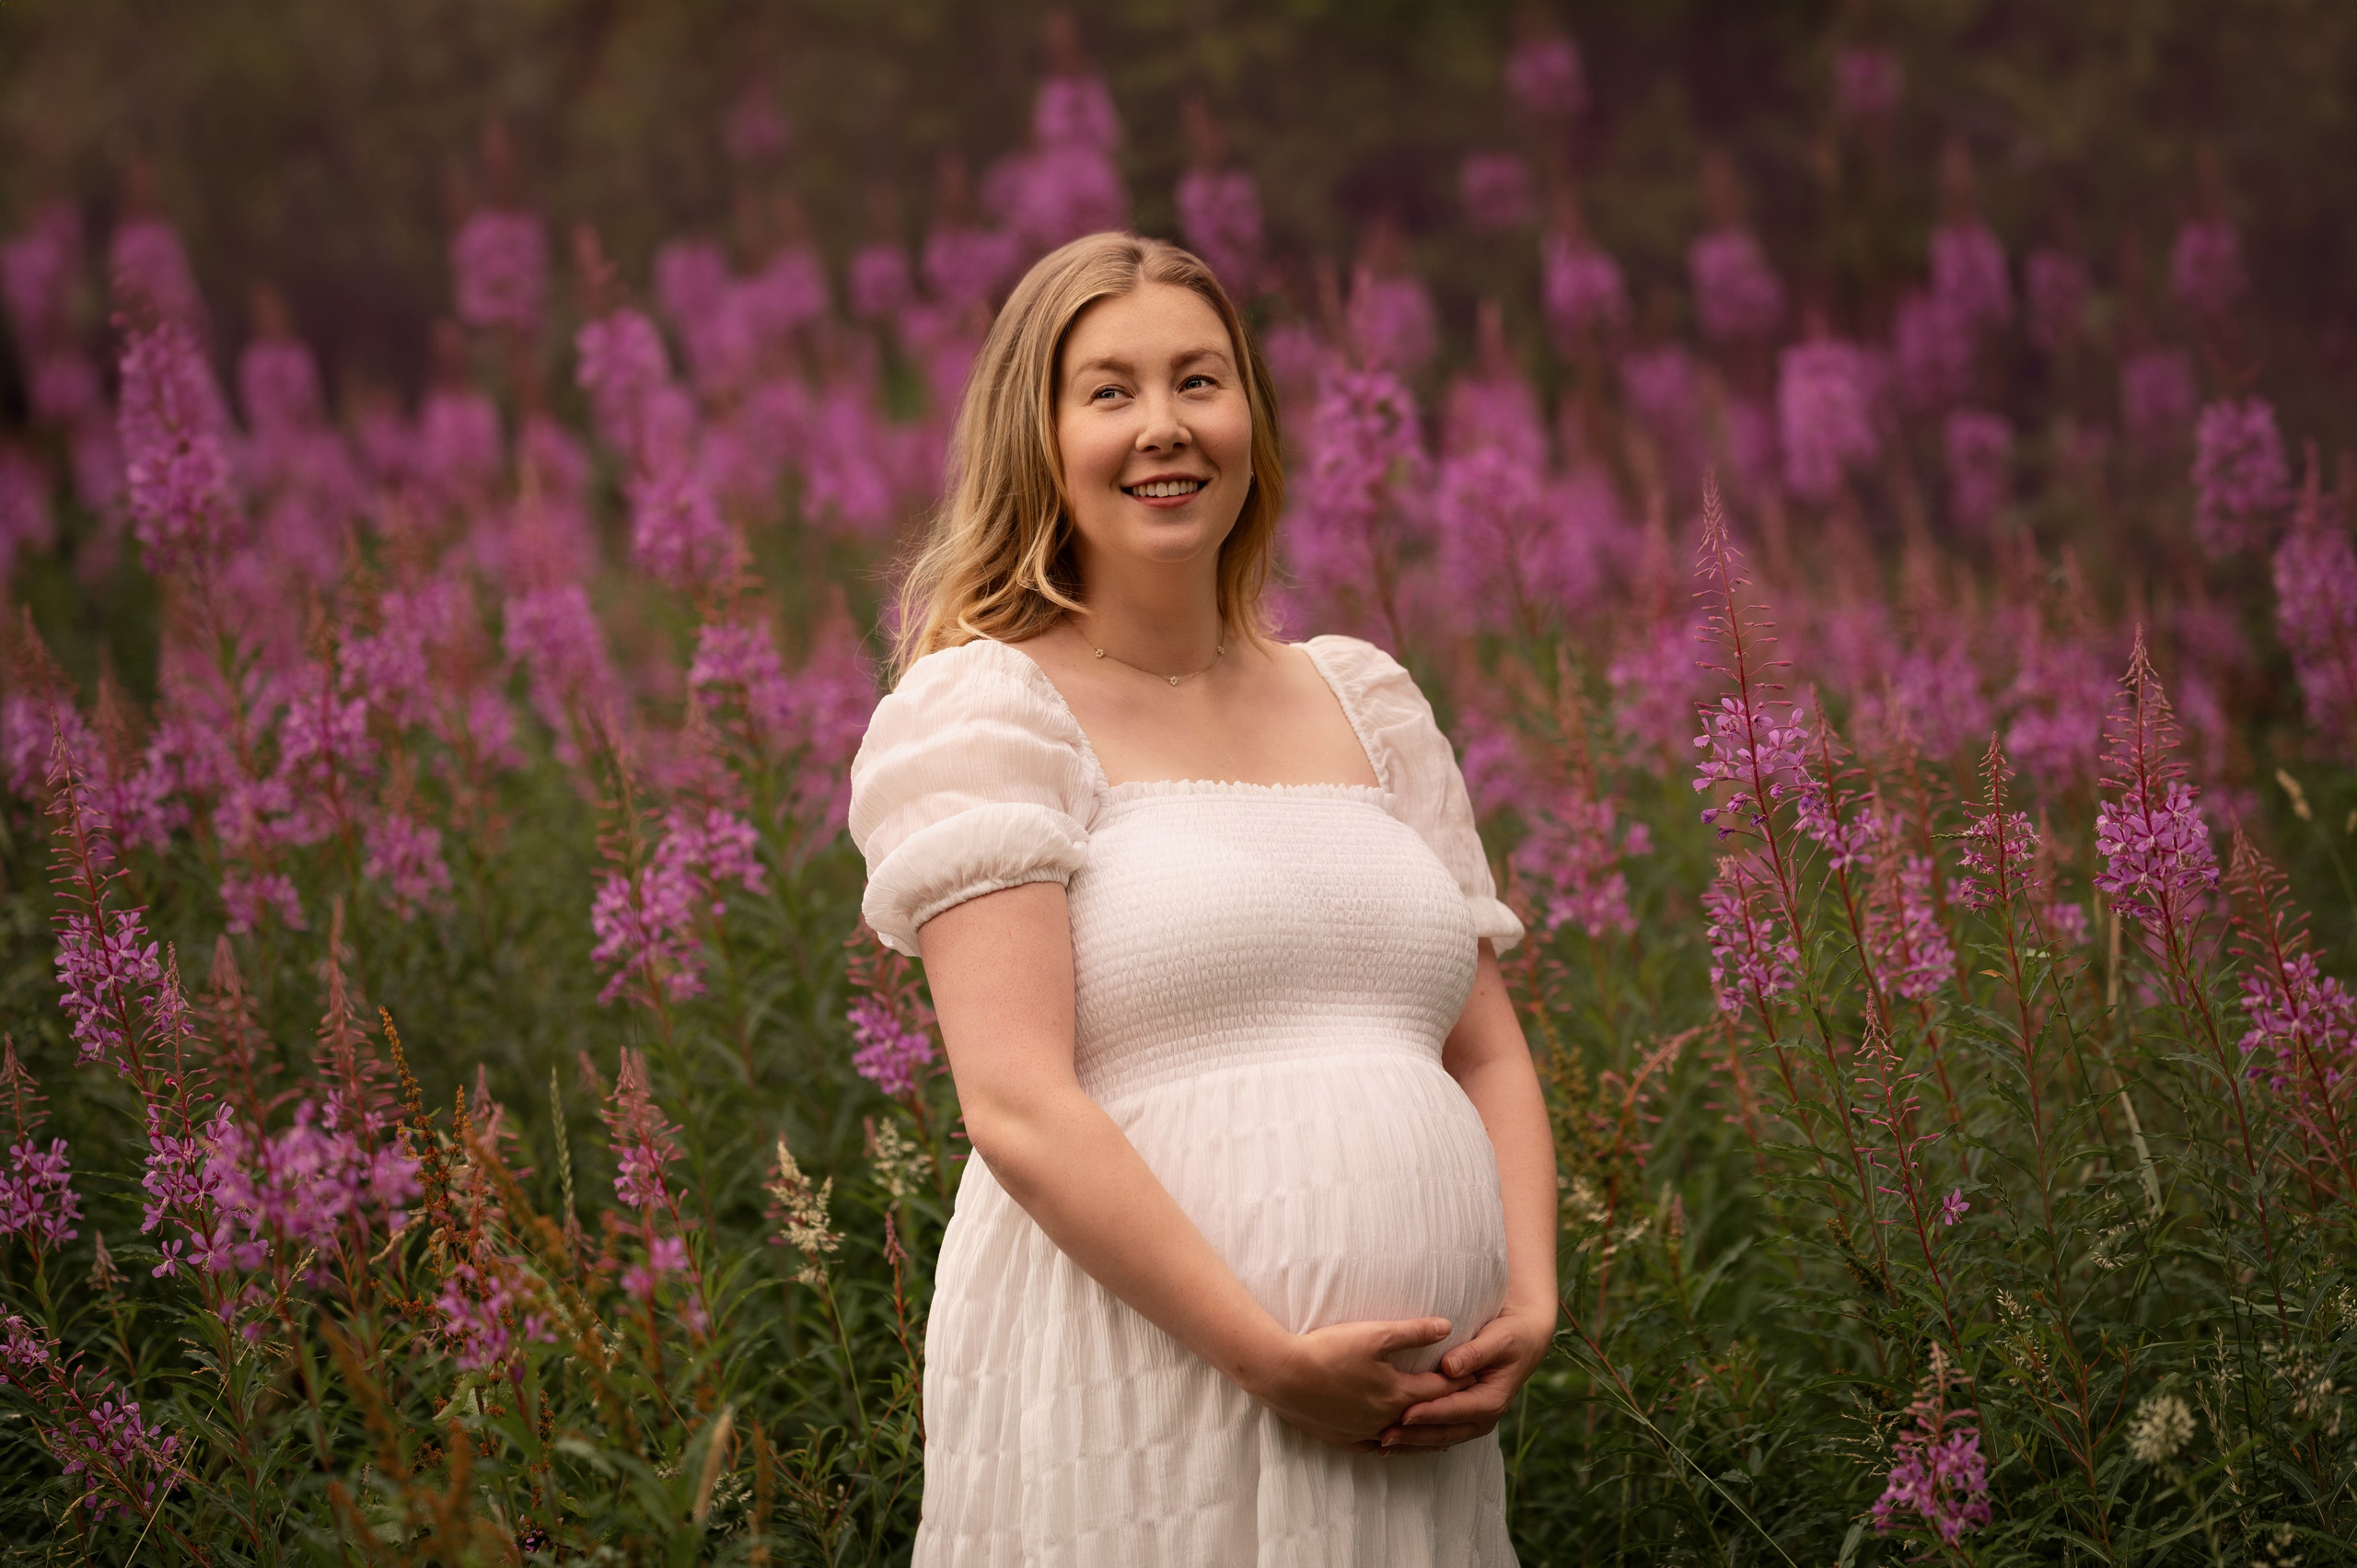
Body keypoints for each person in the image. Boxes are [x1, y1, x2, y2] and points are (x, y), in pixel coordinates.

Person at [849, 231, 1559, 1567]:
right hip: (1144, 1388)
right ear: (1035, 438)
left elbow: (1486, 1045)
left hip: (1413, 1427)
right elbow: (1015, 1103)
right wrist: (1269, 1358)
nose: (1164, 427)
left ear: (1253, 420)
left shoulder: (1369, 701)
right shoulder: (988, 706)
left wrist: (1530, 1292)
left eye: (1200, 381)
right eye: (1108, 391)